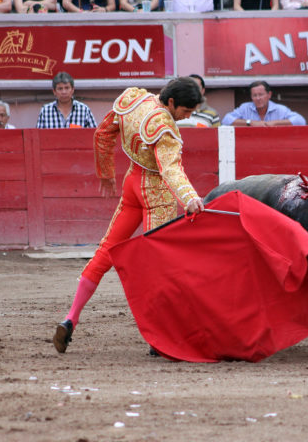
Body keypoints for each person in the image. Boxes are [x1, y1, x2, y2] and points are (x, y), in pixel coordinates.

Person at [52, 77, 206, 353]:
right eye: (186, 111)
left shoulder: (134, 99)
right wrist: (190, 197)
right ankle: (159, 337)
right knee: (159, 263)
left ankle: (71, 317)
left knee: (106, 250)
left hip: (132, 184)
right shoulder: (164, 126)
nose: (187, 117)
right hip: (157, 194)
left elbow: (102, 133)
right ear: (172, 102)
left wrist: (106, 173)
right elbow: (170, 169)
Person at [222, 81, 306, 126]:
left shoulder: (280, 109)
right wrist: (250, 122)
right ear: (251, 97)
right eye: (255, 95)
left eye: (261, 95)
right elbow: (226, 120)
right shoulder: (245, 107)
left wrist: (275, 122)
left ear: (269, 95)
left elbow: (301, 121)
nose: (258, 98)